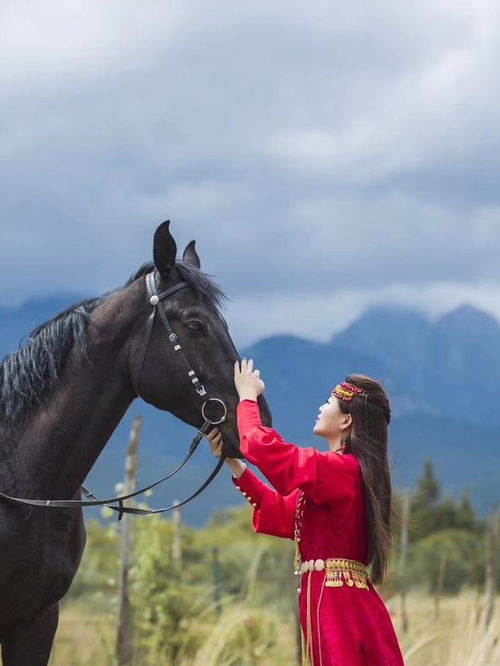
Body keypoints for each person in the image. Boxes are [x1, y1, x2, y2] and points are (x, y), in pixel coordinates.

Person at [206, 358, 405, 666]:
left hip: (338, 606)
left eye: (328, 402)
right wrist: (233, 461)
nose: (321, 407)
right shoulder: (339, 474)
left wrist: (247, 398)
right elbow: (280, 513)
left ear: (345, 421)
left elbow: (266, 450)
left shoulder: (342, 470)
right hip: (337, 602)